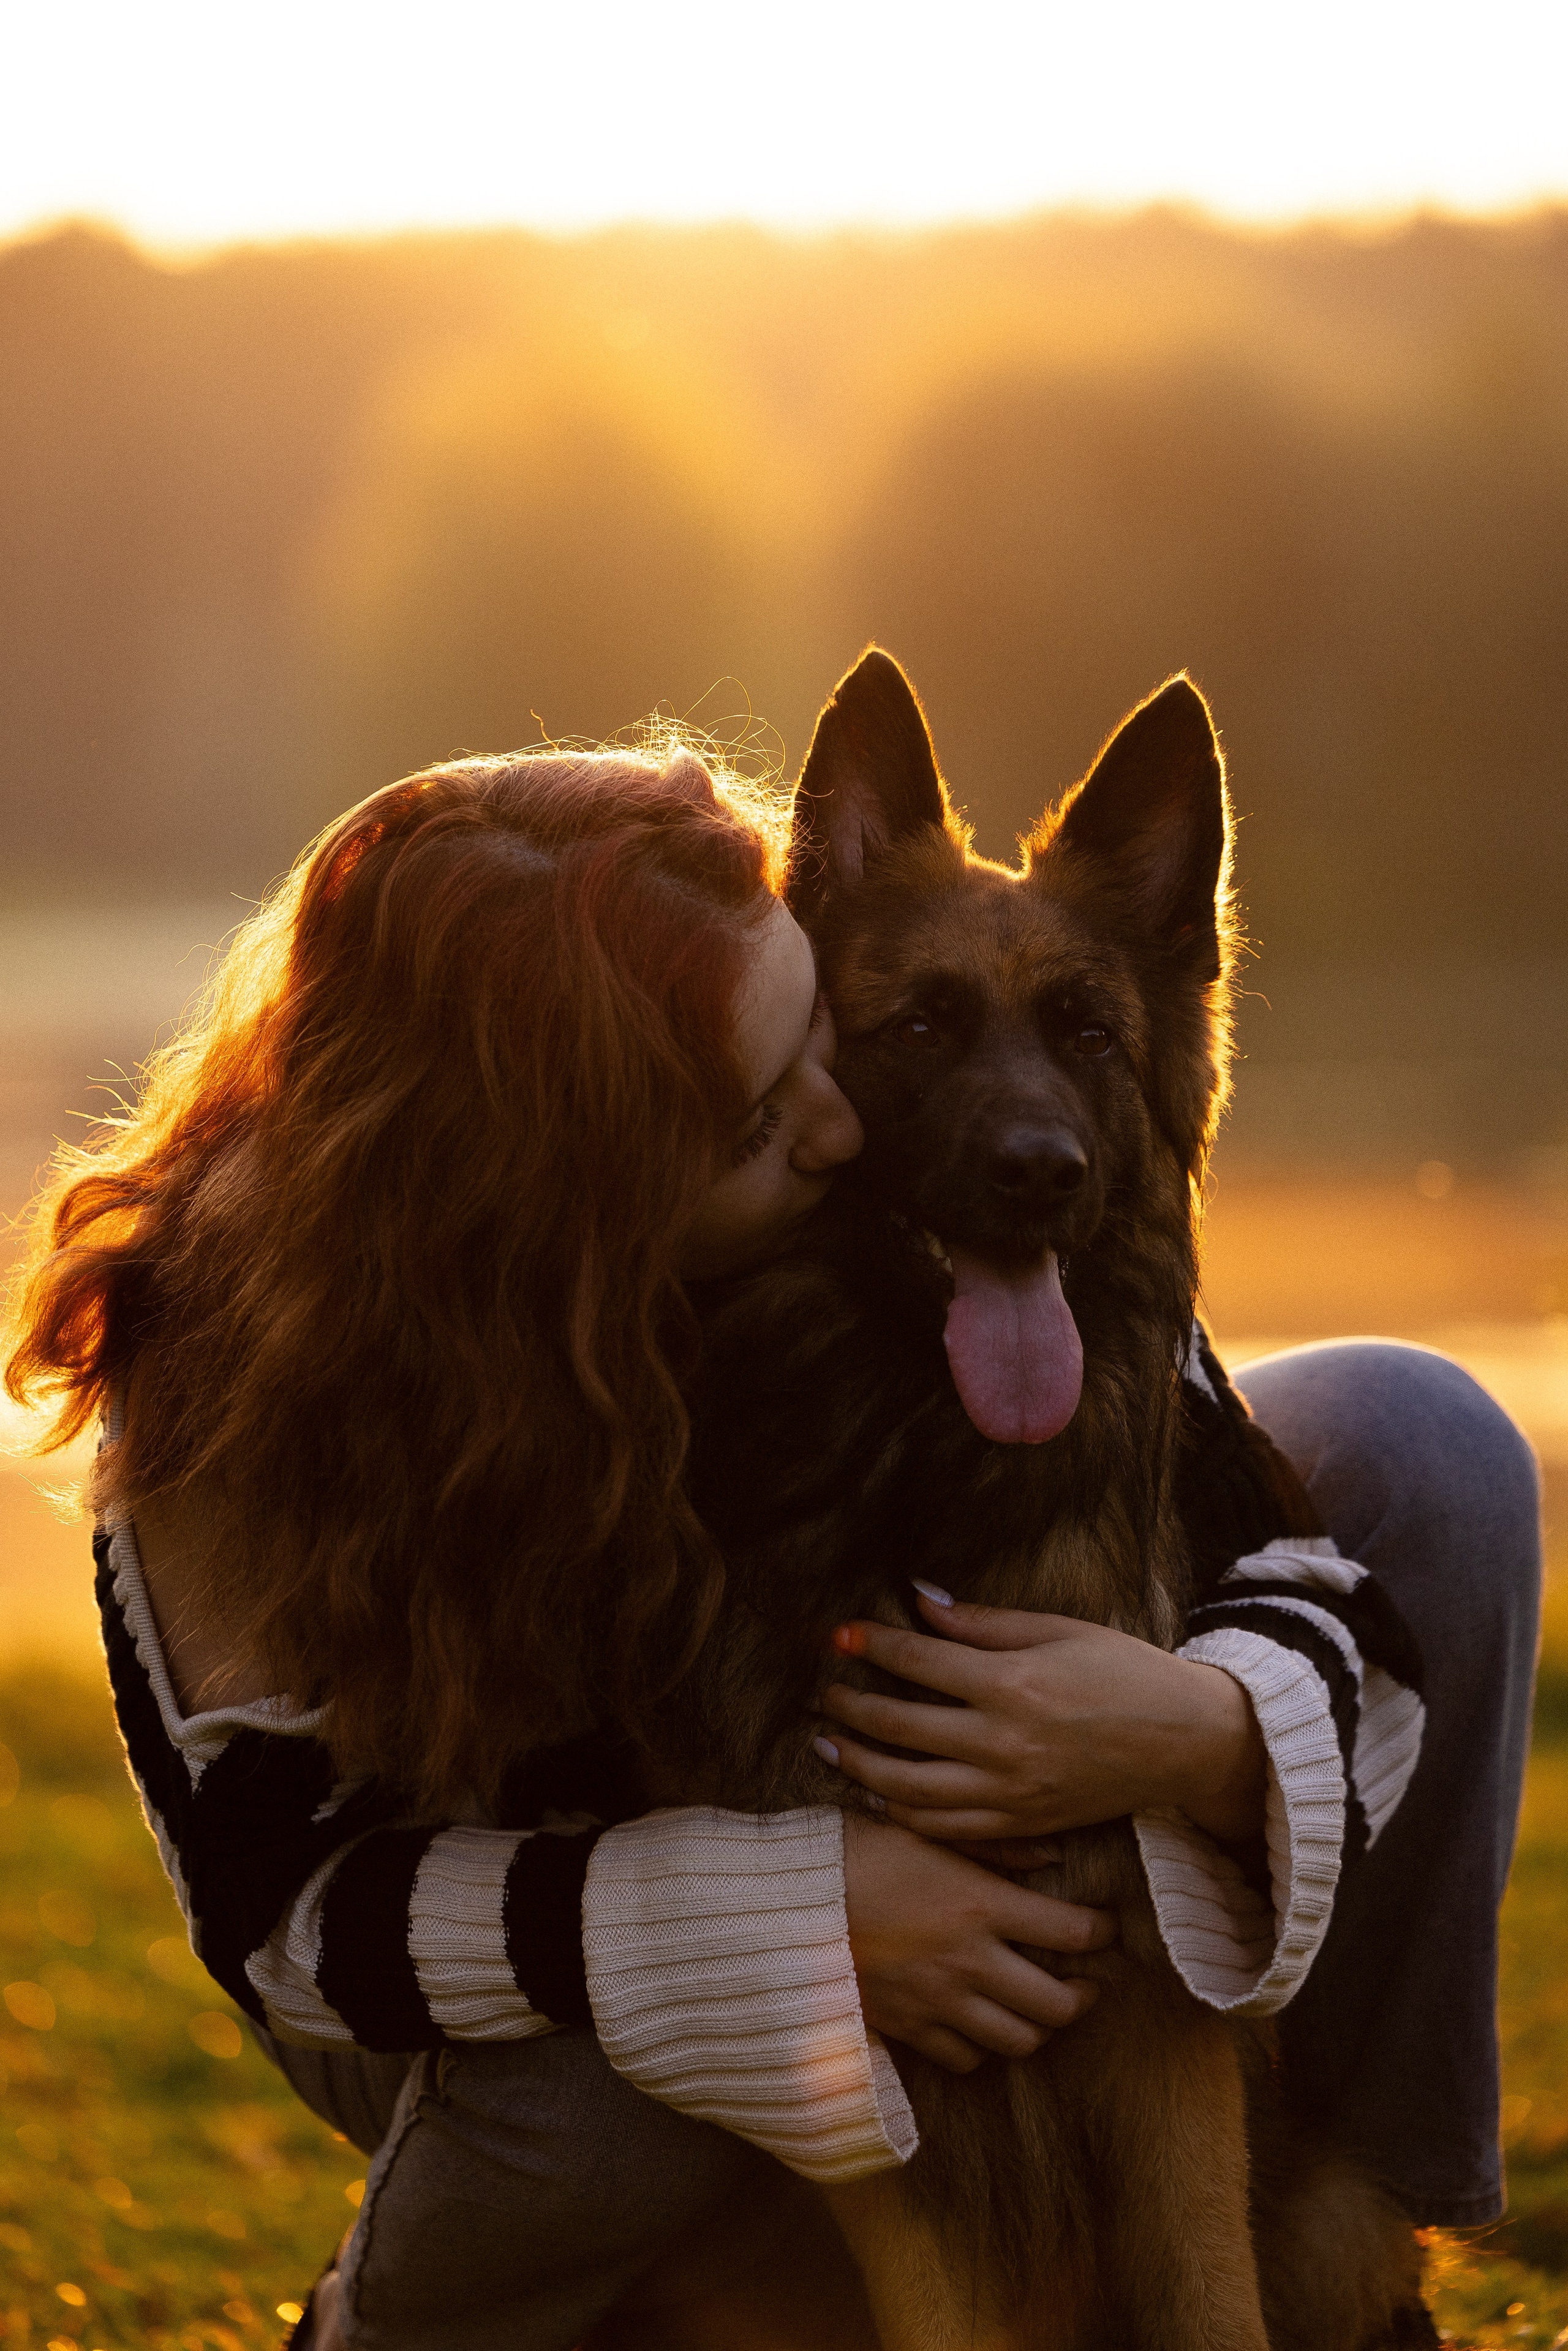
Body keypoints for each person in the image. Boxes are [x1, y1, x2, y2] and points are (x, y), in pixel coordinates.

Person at [3, 742, 1540, 2347]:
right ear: (574, 1181)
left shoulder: (882, 1187)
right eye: (755, 1116)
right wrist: (792, 1913)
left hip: (774, 1831)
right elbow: (293, 1930)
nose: (835, 1129)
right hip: (448, 1939)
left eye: (819, 1039)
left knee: (1412, 1440)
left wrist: (1213, 1738)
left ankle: (1361, 2283)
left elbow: (1238, 1513)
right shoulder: (232, 1393)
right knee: (633, 2085)